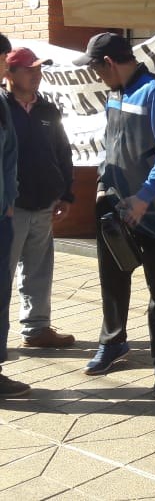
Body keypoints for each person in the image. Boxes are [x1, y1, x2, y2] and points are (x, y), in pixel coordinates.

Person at [75, 31, 155, 398]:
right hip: (115, 207)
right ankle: (113, 343)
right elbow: (110, 145)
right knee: (113, 280)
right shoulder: (114, 93)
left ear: (109, 63)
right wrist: (104, 184)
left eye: (95, 68)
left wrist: (145, 196)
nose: (95, 76)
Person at [3, 48, 75, 349]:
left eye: (39, 69)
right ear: (9, 73)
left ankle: (37, 329)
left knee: (39, 268)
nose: (37, 75)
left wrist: (66, 194)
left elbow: (62, 152)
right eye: (29, 69)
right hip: (10, 208)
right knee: (3, 274)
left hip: (44, 204)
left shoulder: (48, 110)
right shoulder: (2, 108)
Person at [0, 34, 29, 397]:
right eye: (3, 56)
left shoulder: (1, 105)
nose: (6, 63)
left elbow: (10, 157)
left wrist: (10, 199)